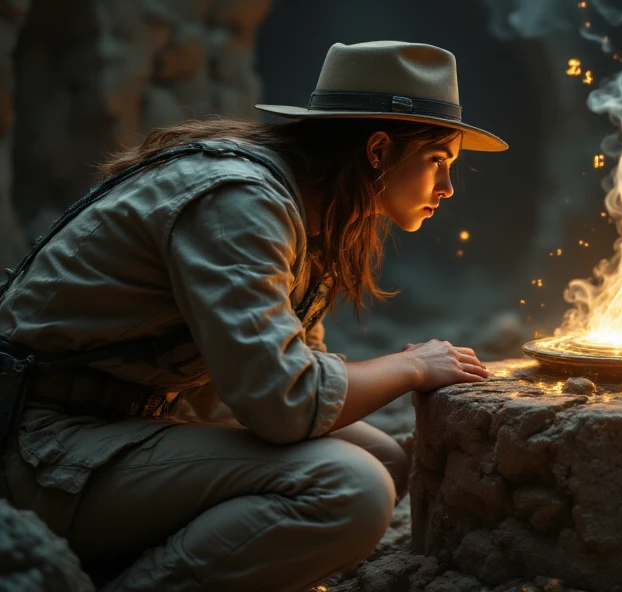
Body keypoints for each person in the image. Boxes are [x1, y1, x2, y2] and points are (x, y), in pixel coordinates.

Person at [0, 40, 507, 591]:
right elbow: (285, 402)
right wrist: (411, 368)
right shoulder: (240, 201)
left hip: (116, 425)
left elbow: (276, 377)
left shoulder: (306, 208)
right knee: (350, 487)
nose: (448, 188)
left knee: (381, 457)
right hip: (38, 449)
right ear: (379, 149)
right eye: (438, 161)